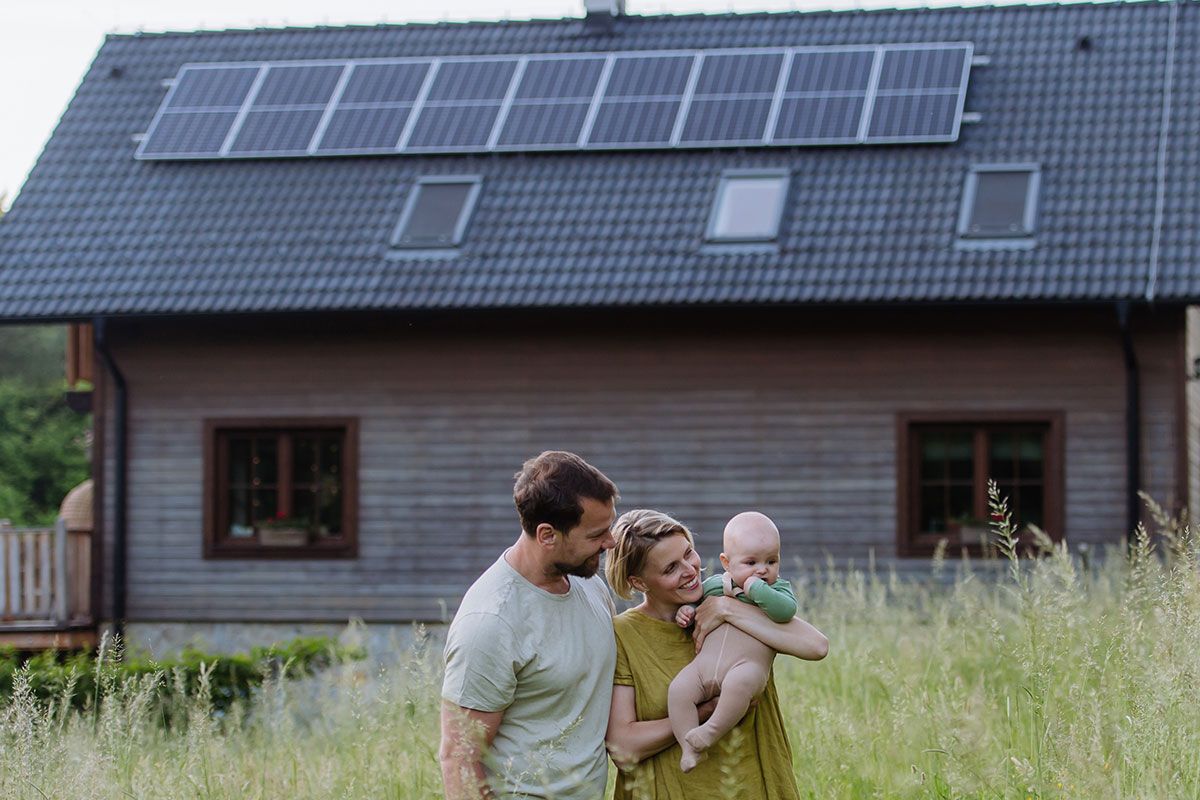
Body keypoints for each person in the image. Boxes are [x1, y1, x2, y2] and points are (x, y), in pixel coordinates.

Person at [604, 509, 828, 800]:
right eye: (671, 568)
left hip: (751, 786)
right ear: (639, 582)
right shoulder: (624, 635)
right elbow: (625, 748)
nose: (689, 570)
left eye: (689, 553)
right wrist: (705, 713)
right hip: (672, 791)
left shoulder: (738, 598)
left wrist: (727, 609)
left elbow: (817, 646)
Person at [440, 451, 619, 800]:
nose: (610, 542)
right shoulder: (491, 622)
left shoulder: (589, 583)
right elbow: (459, 758)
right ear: (547, 535)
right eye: (597, 533)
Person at [668, 511, 796, 772]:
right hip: (704, 665)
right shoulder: (716, 585)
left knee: (739, 686)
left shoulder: (778, 590)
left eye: (771, 561)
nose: (762, 570)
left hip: (746, 667)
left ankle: (710, 733)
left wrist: (756, 590)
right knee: (678, 690)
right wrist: (687, 612)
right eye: (751, 562)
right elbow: (696, 603)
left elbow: (785, 612)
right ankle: (689, 747)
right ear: (726, 563)